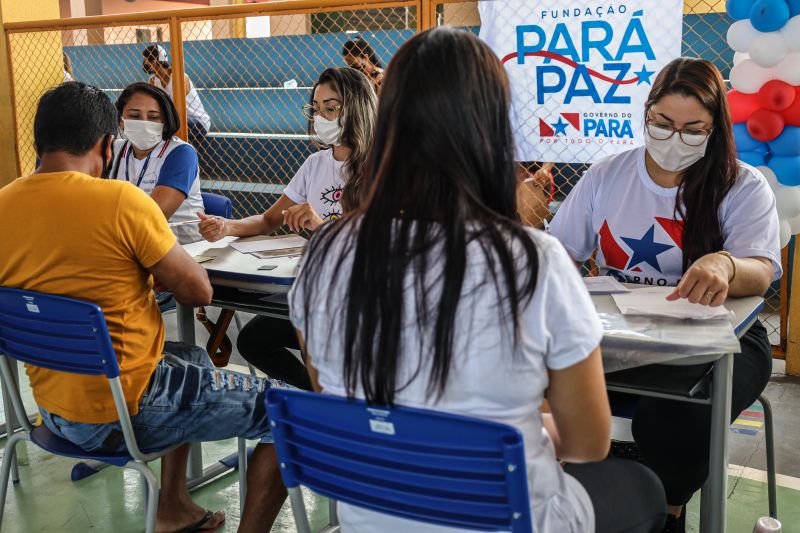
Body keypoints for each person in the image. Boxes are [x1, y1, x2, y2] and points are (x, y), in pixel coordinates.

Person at [288, 27, 666, 533]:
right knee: (643, 487)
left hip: (373, 517)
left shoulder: (323, 257)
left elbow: (335, 402)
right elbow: (588, 443)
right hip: (506, 515)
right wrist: (510, 435)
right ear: (492, 128)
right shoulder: (536, 261)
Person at [0, 82, 287, 533]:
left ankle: (171, 507)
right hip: (128, 407)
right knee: (284, 410)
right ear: (106, 144)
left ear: (37, 140)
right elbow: (197, 292)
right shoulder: (121, 202)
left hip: (51, 407)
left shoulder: (4, 204)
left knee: (190, 358)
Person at [548, 58, 781, 533]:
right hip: (616, 336)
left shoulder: (742, 185)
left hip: (721, 344)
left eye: (693, 129)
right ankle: (559, 499)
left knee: (676, 415)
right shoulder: (607, 175)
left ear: (716, 128)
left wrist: (726, 263)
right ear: (647, 113)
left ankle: (666, 514)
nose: (675, 139)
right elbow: (556, 253)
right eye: (663, 123)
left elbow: (760, 272)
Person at [199, 67, 377, 388]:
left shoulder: (379, 167)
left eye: (332, 108)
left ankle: (324, 402)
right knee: (253, 341)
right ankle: (311, 397)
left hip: (358, 298)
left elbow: (369, 248)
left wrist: (318, 224)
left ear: (357, 108)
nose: (322, 116)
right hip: (313, 288)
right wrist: (227, 226)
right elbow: (269, 220)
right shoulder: (315, 164)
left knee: (327, 352)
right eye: (317, 108)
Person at [112, 82, 205, 245]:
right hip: (127, 243)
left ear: (164, 121)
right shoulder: (113, 150)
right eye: (134, 116)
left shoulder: (181, 153)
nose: (144, 122)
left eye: (154, 117)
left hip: (182, 247)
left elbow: (153, 217)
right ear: (121, 120)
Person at [142, 44, 211, 147]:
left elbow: (175, 110)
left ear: (154, 62)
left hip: (197, 122)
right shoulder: (153, 81)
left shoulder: (180, 77)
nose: (144, 64)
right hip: (173, 122)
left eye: (145, 60)